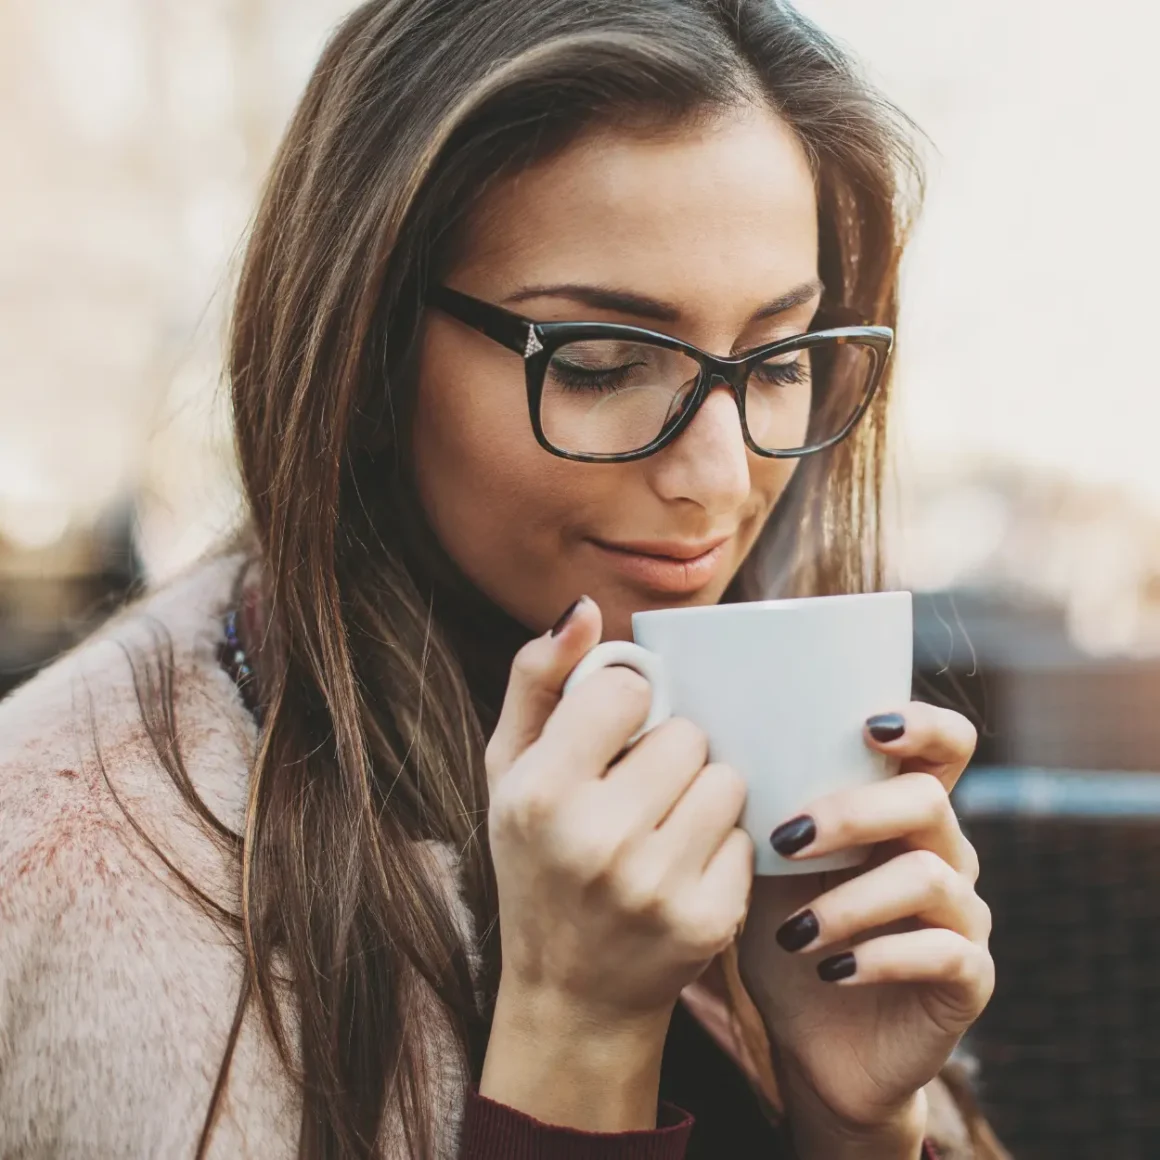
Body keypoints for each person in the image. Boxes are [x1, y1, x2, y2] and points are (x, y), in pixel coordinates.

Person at [0, 1, 1010, 1157]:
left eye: (778, 359)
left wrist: (858, 1117)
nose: (720, 478)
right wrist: (575, 1032)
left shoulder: (748, 732)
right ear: (365, 352)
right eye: (600, 360)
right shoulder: (83, 883)